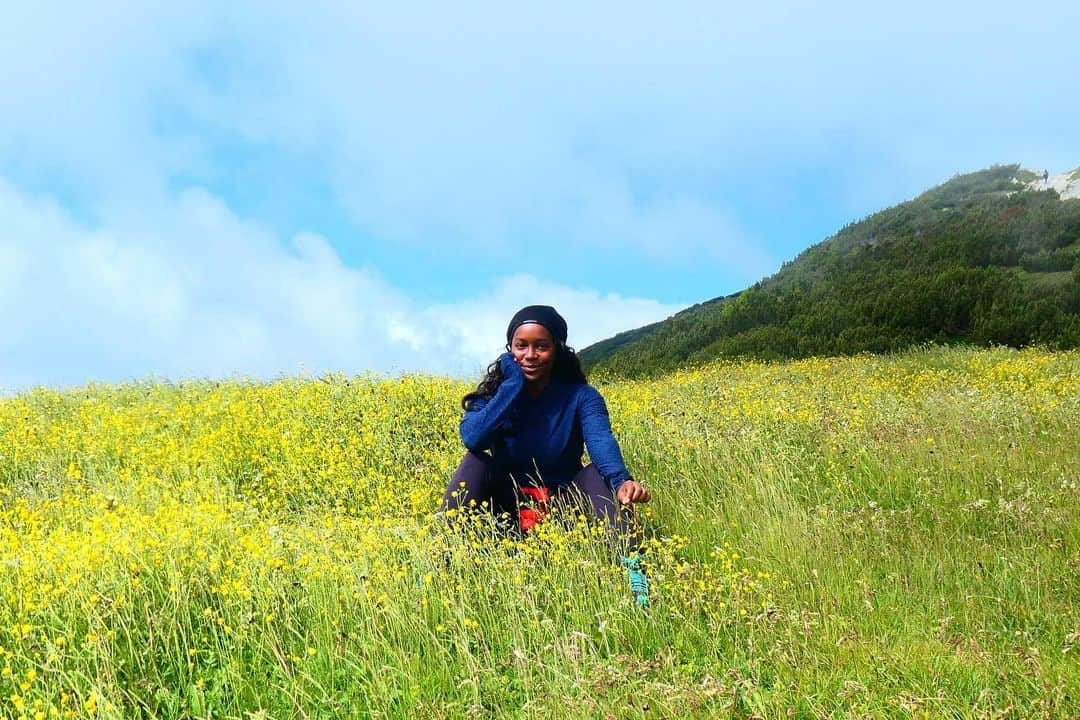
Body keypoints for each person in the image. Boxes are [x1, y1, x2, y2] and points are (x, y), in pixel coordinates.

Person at [441, 305, 652, 607]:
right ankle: (440, 565)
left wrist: (621, 481)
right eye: (521, 346)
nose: (530, 355)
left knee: (597, 474)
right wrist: (512, 386)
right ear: (509, 350)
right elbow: (473, 438)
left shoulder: (581, 397)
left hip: (563, 504)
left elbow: (600, 441)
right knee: (475, 461)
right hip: (509, 506)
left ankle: (637, 581)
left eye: (541, 346)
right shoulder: (496, 395)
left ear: (557, 349)